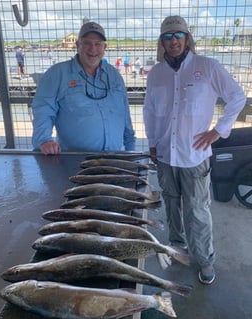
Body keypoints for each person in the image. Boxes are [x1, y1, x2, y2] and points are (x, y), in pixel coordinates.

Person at [143, 15, 246, 285]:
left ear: (187, 38)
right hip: (165, 154)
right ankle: (177, 248)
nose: (173, 41)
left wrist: (218, 131)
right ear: (161, 42)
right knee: (172, 205)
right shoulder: (156, 73)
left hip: (195, 156)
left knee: (198, 211)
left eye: (178, 35)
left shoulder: (207, 67)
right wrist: (152, 142)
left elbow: (237, 96)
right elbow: (150, 111)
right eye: (167, 36)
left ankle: (204, 259)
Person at [32, 21, 135, 155]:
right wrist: (44, 140)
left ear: (105, 47)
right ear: (77, 45)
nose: (93, 49)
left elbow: (125, 115)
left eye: (98, 44)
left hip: (114, 160)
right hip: (74, 162)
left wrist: (131, 149)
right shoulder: (57, 74)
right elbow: (43, 110)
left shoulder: (114, 75)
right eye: (87, 43)